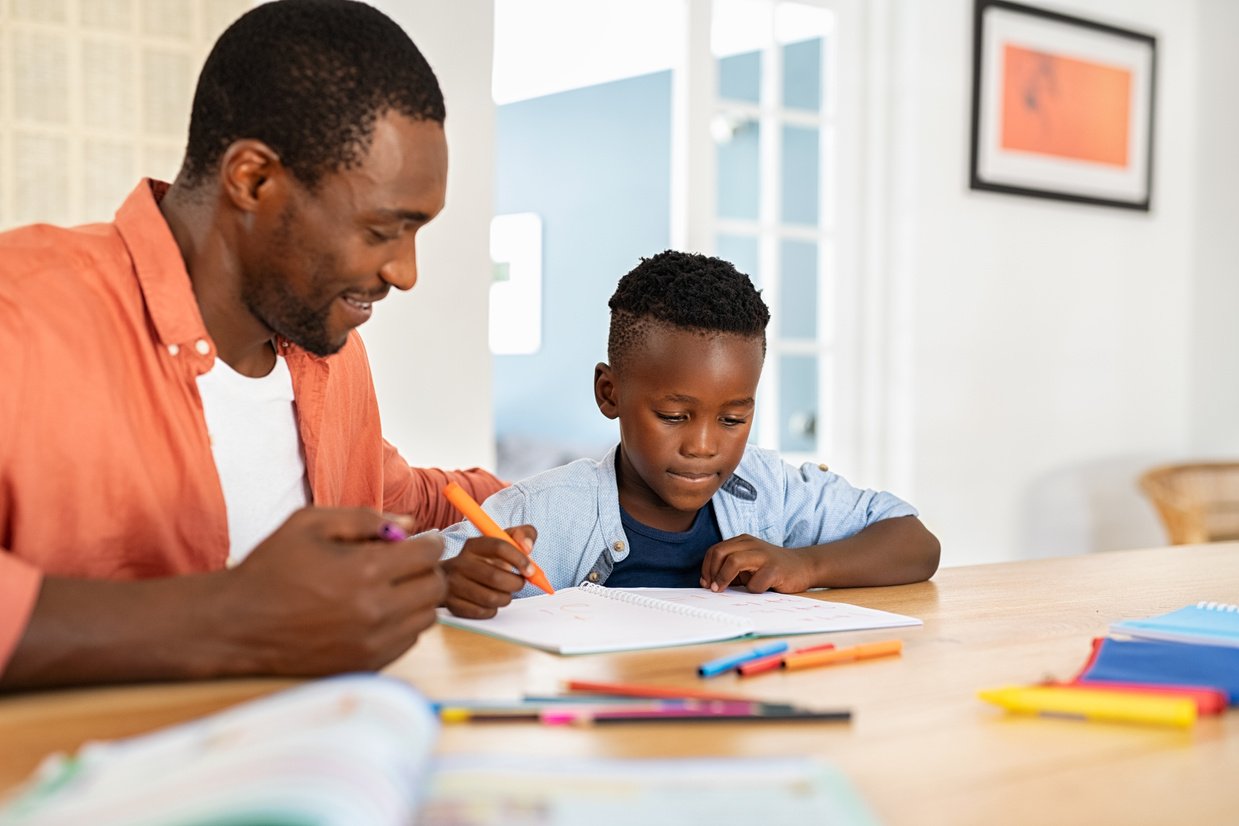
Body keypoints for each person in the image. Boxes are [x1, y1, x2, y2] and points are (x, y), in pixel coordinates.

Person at [0, 0, 527, 688]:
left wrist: (632, 496)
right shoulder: (23, 313)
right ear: (252, 179)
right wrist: (231, 617)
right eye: (380, 230)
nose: (405, 272)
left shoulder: (330, 358)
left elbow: (416, 495)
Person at [438, 250, 940, 619]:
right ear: (609, 393)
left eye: (732, 419)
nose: (702, 446)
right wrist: (450, 581)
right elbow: (424, 573)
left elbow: (915, 542)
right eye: (675, 416)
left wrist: (804, 565)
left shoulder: (769, 491)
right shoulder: (545, 512)